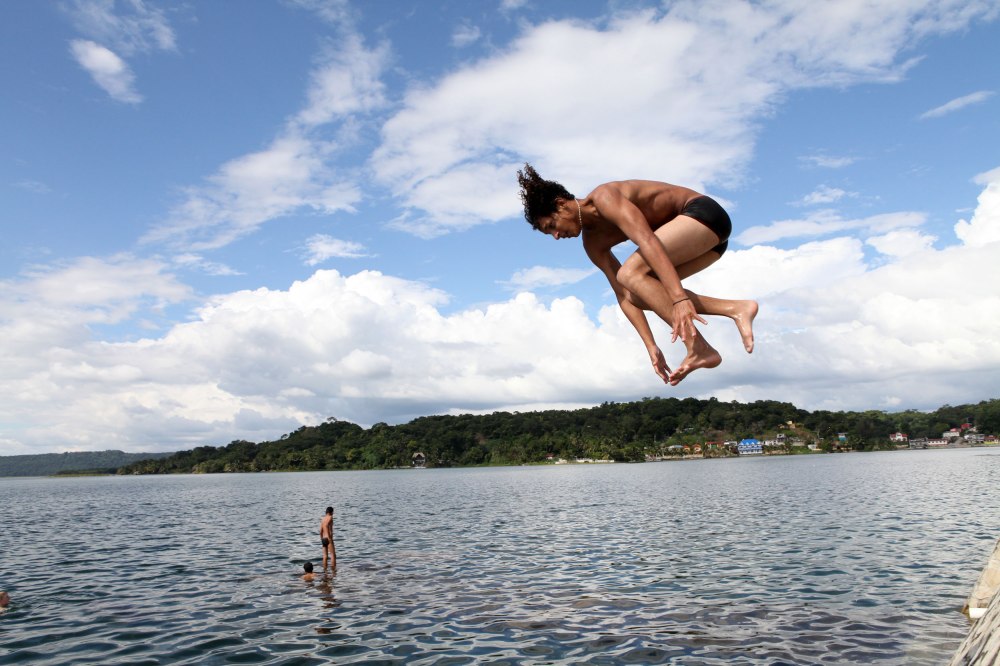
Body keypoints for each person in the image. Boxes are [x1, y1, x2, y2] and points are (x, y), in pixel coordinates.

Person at [517, 164, 757, 385]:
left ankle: (697, 346)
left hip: (704, 216)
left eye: (551, 226)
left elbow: (647, 240)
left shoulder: (604, 197)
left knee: (630, 273)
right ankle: (734, 310)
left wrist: (680, 298)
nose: (556, 236)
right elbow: (623, 296)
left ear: (561, 204)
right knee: (636, 293)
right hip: (707, 244)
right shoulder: (593, 244)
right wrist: (650, 345)